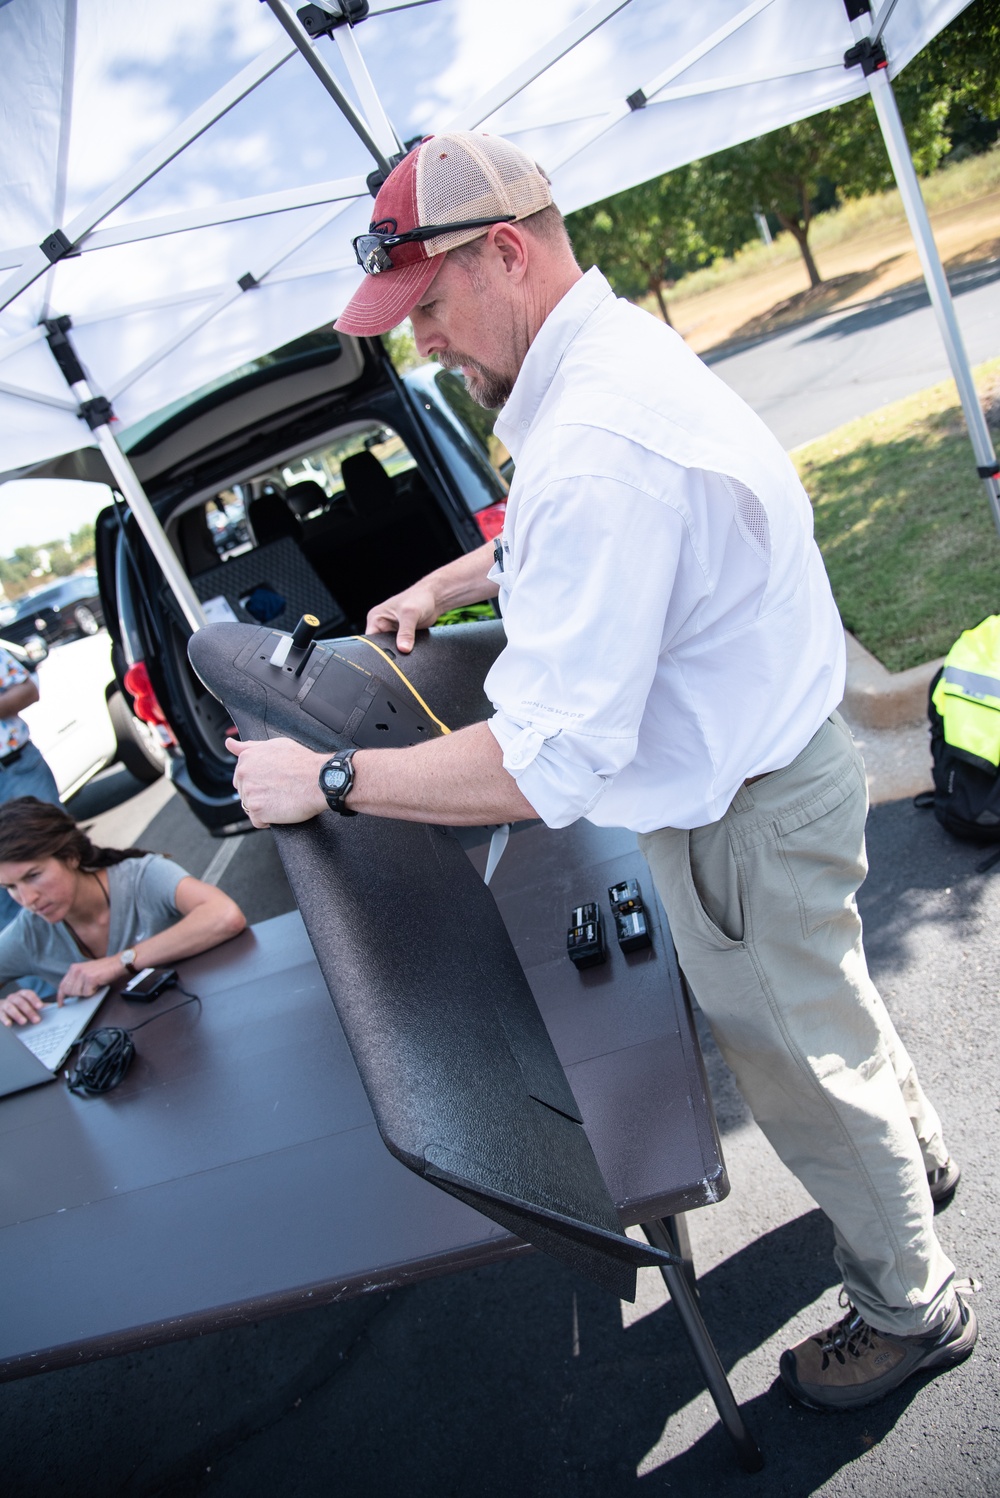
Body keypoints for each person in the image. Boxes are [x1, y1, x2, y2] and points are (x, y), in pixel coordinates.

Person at [227, 131, 975, 1411]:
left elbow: (545, 761)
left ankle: (912, 1302)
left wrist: (327, 785)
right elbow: (593, 545)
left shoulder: (594, 446)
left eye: (429, 306)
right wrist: (457, 578)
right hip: (777, 775)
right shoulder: (606, 364)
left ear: (502, 252)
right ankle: (914, 1160)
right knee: (829, 1009)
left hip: (740, 813)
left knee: (803, 1066)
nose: (424, 343)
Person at [0, 796, 246, 1024]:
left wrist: (119, 962)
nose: (27, 899)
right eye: (10, 887)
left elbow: (224, 915)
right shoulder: (28, 931)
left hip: (202, 1019)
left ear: (71, 856)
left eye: (33, 876)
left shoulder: (140, 876)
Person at [0, 642, 61, 930]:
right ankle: (48, 974)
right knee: (7, 894)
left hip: (16, 769)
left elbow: (27, 689)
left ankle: (109, 955)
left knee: (56, 854)